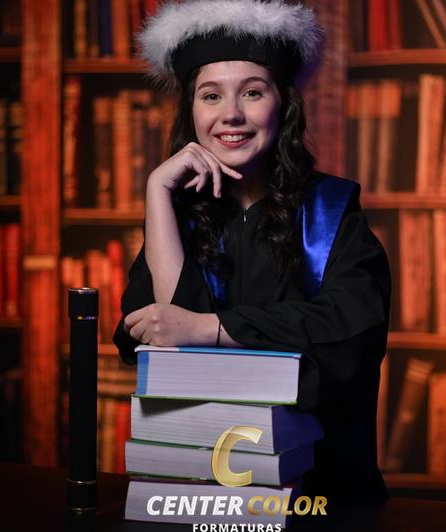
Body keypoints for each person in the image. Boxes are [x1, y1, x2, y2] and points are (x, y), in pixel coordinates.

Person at [113, 0, 390, 503]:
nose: (231, 115)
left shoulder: (332, 213)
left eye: (252, 92)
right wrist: (157, 191)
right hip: (199, 496)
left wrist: (210, 328)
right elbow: (166, 348)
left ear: (283, 104)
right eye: (210, 95)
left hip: (320, 493)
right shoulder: (175, 216)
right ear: (191, 111)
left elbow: (350, 332)